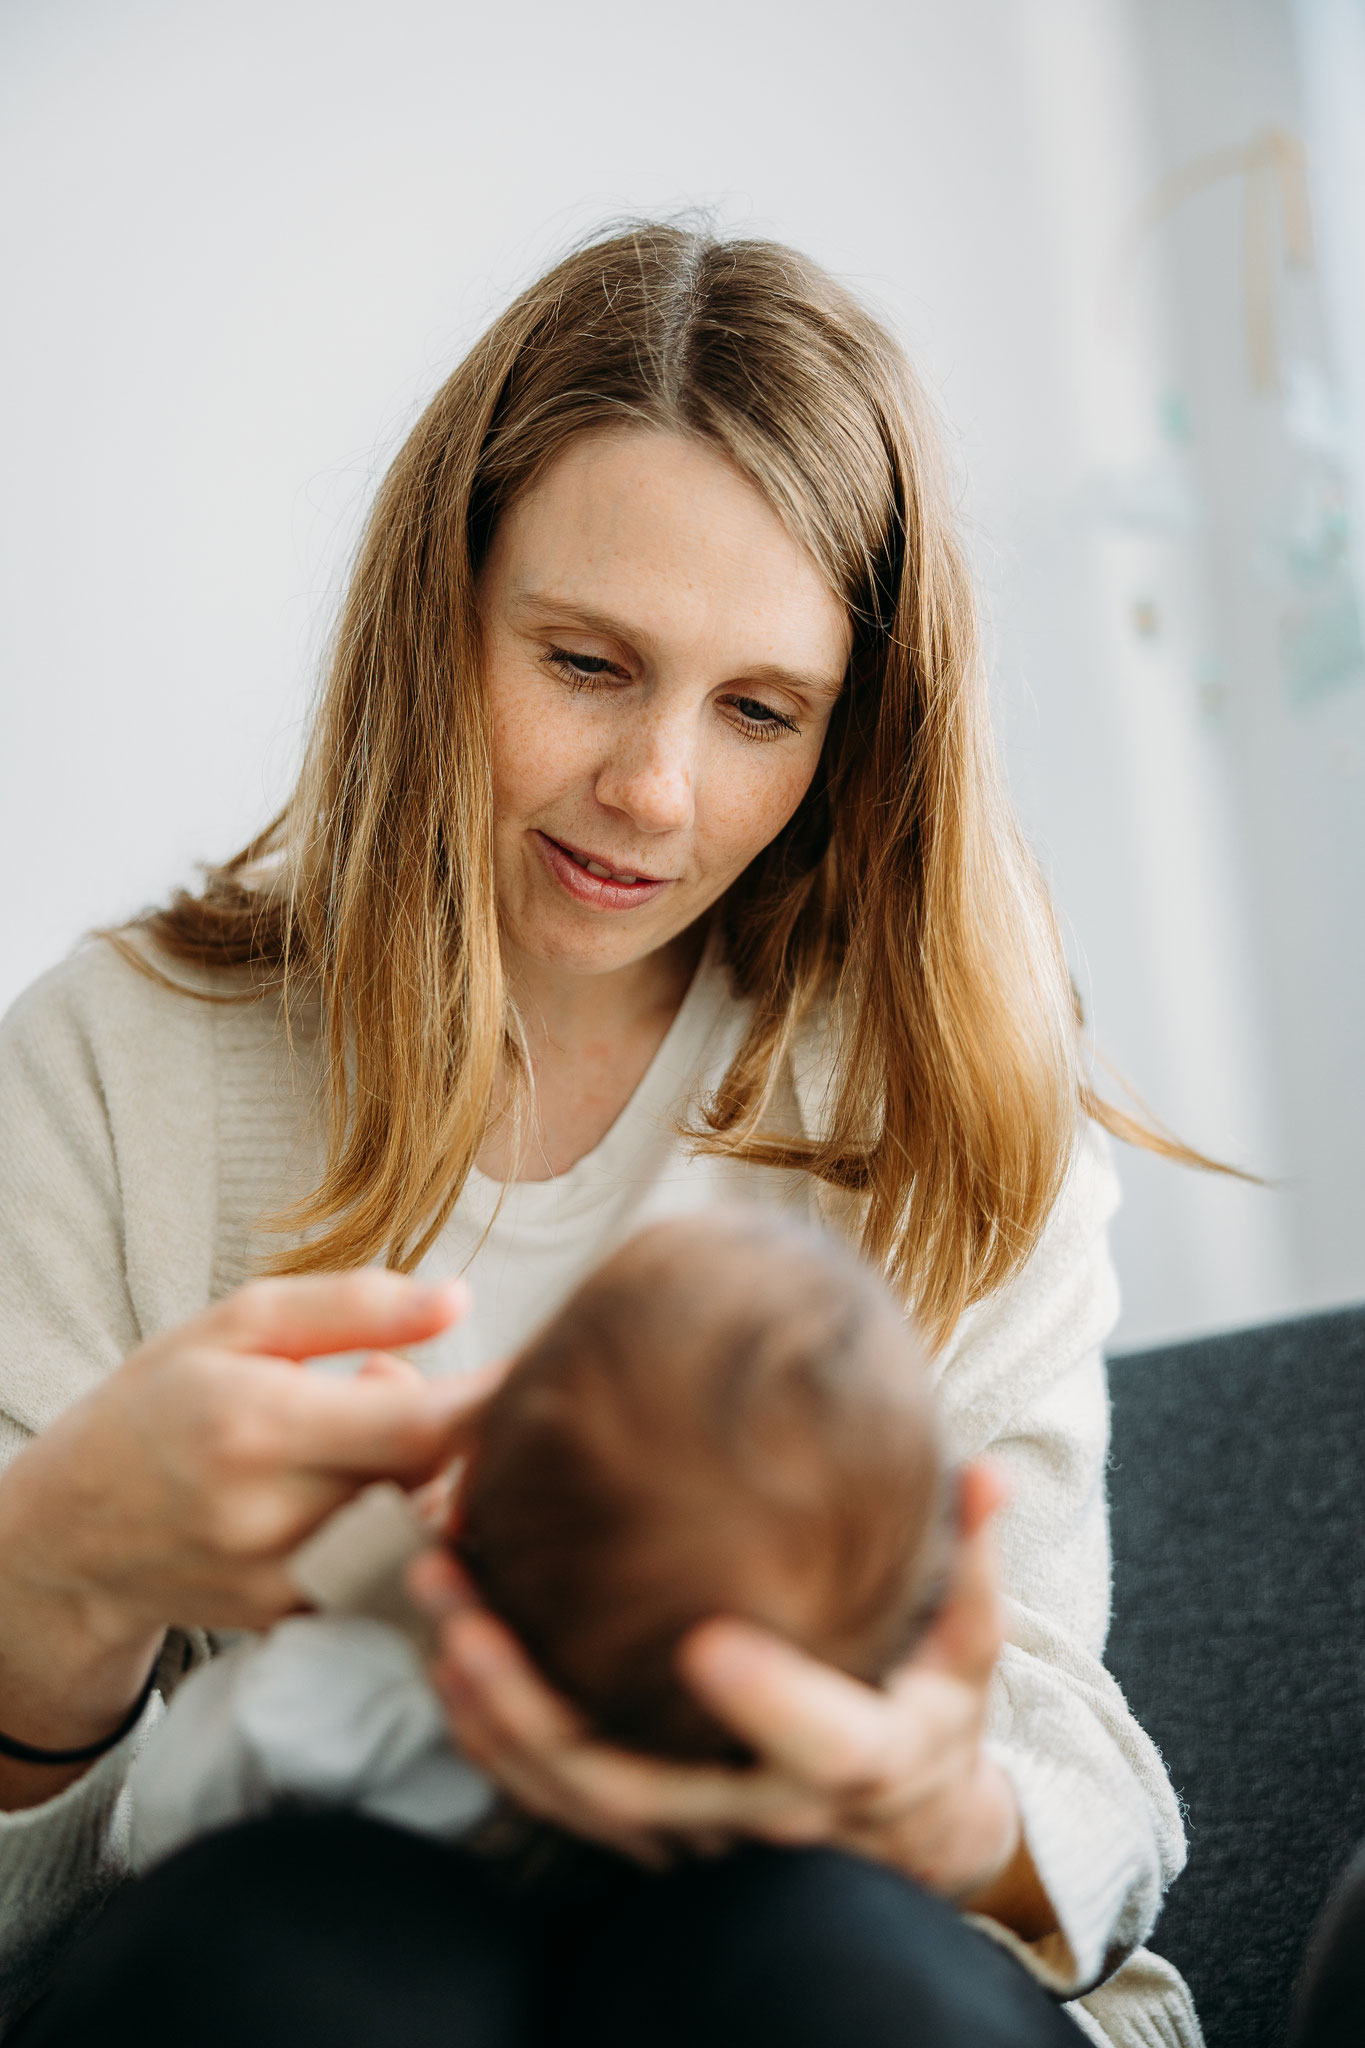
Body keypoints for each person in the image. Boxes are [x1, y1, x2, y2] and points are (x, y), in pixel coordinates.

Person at [0, 222, 1210, 2046]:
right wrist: (51, 1581)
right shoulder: (114, 1071)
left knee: (802, 1952)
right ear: (440, 616)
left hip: (845, 1958)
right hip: (307, 1953)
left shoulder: (940, 1085)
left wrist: (930, 1807)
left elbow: (1081, 1795)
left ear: (853, 739)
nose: (653, 790)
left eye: (760, 712)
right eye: (584, 662)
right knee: (283, 1950)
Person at [124, 1209, 952, 1870]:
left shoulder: (341, 1692)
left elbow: (162, 1814)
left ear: (465, 1488)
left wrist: (352, 1584)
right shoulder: (798, 1807)